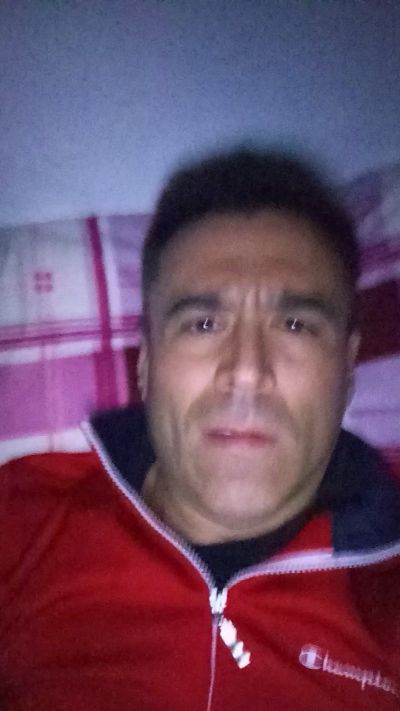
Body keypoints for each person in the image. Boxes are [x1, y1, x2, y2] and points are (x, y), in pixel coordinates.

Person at [1, 149, 399, 711]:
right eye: (204, 323)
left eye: (295, 324)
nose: (247, 371)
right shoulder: (21, 523)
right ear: (145, 363)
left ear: (348, 367)